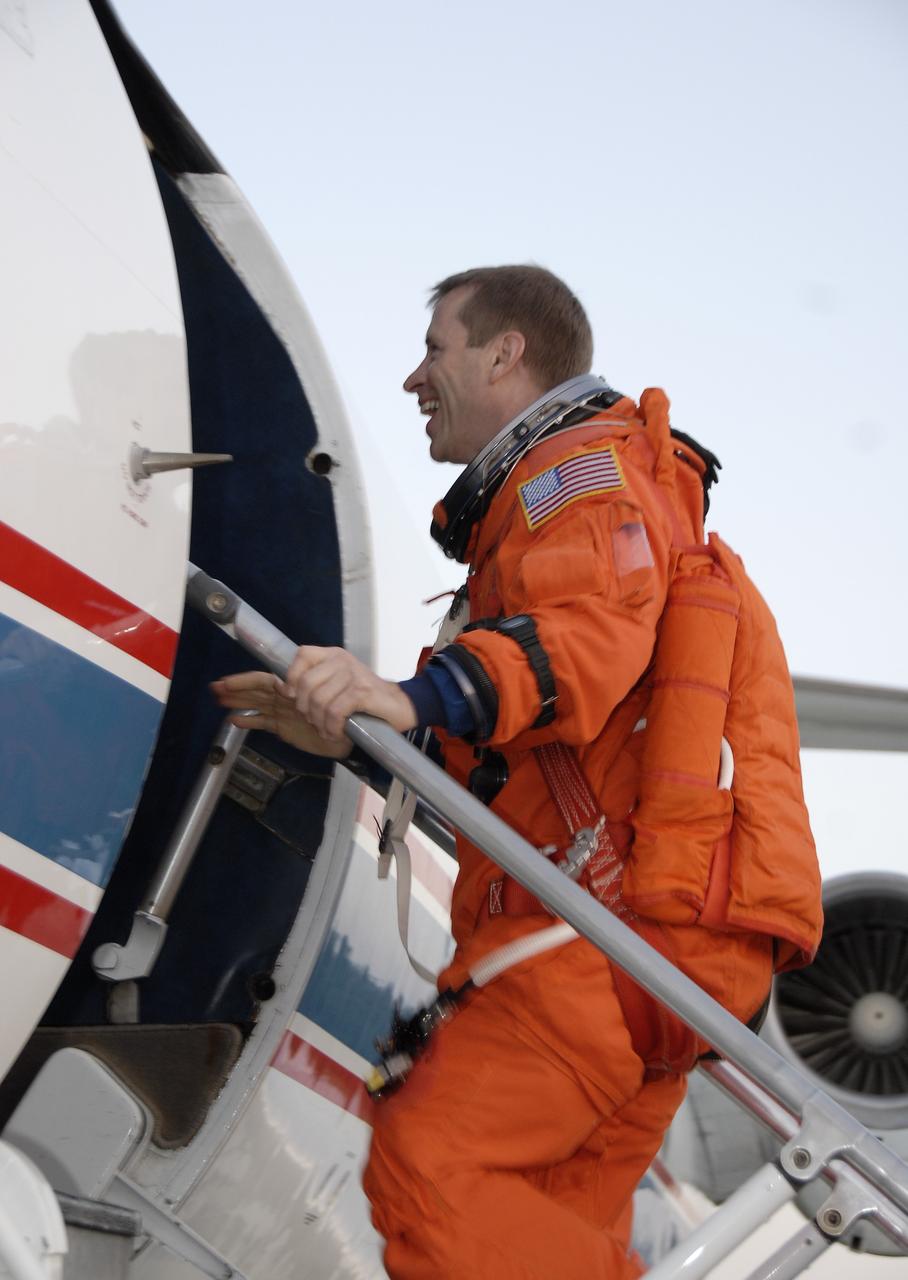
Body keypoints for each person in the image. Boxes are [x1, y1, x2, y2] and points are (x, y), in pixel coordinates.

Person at [213, 265, 823, 1279]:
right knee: (549, 1237)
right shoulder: (605, 496)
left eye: (436, 349)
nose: (414, 377)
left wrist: (405, 696)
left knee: (429, 1164)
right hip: (665, 945)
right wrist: (373, 737)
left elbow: (585, 636)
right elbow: (550, 743)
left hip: (604, 931)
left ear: (505, 354)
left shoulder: (573, 473)